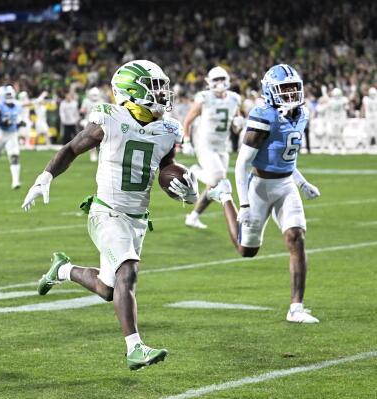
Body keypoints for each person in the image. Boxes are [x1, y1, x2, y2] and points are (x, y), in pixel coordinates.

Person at [21, 60, 198, 370]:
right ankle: (135, 349)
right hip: (105, 211)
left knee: (108, 289)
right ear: (131, 91)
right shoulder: (110, 118)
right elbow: (72, 148)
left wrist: (183, 187)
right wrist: (45, 177)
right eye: (153, 88)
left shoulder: (168, 128)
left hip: (137, 218)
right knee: (127, 270)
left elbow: (165, 167)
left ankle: (62, 270)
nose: (161, 94)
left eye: (161, 87)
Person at [206, 64, 321, 324]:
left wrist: (302, 183)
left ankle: (296, 307)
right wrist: (243, 203)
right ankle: (225, 197)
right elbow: (242, 163)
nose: (291, 94)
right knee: (247, 251)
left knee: (296, 237)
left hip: (285, 185)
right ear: (271, 91)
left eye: (294, 88)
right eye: (285, 89)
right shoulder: (264, 115)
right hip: (259, 186)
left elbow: (287, 158)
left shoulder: (300, 114)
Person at [182, 66, 244, 229]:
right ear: (209, 82)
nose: (219, 83)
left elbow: (235, 126)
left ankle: (193, 217)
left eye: (222, 79)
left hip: (222, 146)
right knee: (218, 178)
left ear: (228, 80)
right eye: (215, 80)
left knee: (214, 185)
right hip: (205, 144)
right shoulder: (204, 97)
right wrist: (187, 141)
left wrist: (239, 124)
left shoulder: (234, 99)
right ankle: (193, 171)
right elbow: (187, 120)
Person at [324, 87, 349, 154]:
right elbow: (328, 110)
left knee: (341, 134)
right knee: (334, 134)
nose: (337, 96)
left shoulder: (343, 100)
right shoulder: (331, 101)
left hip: (341, 118)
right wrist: (327, 119)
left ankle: (343, 147)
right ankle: (334, 147)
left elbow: (346, 108)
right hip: (333, 118)